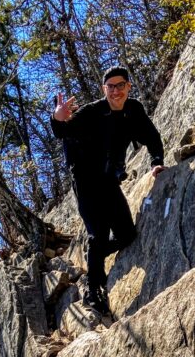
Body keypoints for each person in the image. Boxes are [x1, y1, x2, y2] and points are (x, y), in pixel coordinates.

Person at [51, 65, 165, 315]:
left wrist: (156, 161)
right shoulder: (92, 112)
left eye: (120, 85)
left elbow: (151, 135)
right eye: (111, 87)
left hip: (109, 179)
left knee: (127, 235)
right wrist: (58, 118)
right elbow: (63, 131)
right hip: (85, 180)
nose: (116, 91)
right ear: (104, 89)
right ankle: (94, 290)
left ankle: (95, 256)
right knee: (99, 233)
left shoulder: (133, 110)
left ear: (128, 87)